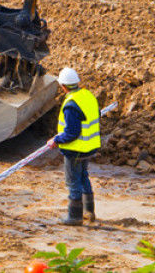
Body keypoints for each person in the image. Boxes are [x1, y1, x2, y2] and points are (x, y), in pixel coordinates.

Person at [50, 67, 100, 225]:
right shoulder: (87, 95)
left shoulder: (71, 105)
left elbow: (72, 133)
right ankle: (89, 212)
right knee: (83, 176)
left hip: (75, 149)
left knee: (73, 182)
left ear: (63, 86)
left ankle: (75, 217)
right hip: (89, 147)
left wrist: (56, 140)